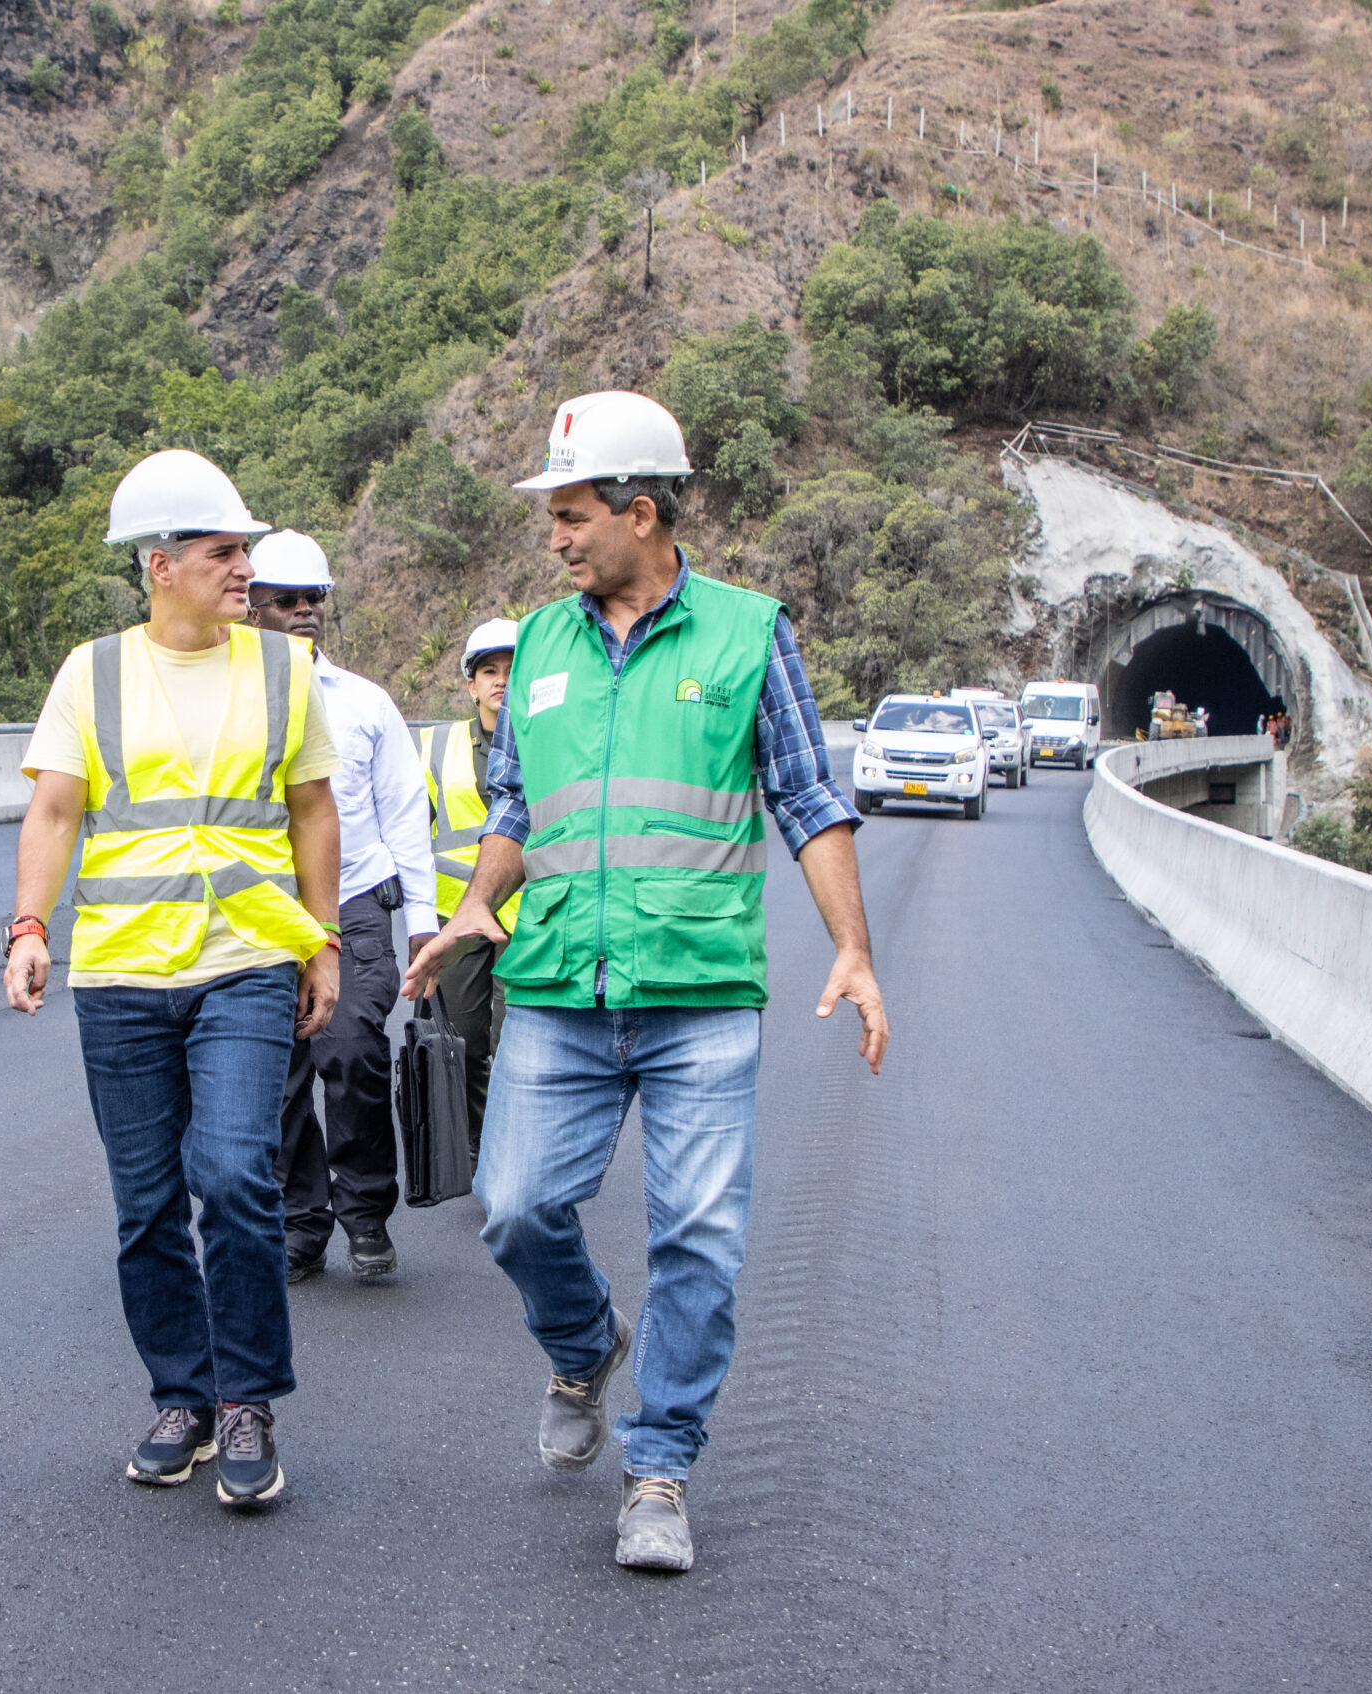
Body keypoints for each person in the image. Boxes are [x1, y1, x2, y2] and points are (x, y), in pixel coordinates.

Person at [401, 393, 890, 1574]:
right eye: (551, 519)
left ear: (641, 510)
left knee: (701, 1239)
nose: (555, 539)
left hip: (699, 991)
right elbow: (518, 803)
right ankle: (582, 1342)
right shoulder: (541, 647)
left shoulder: (745, 632)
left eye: (571, 516)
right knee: (513, 1204)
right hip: (562, 982)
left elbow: (806, 799)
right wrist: (477, 899)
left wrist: (853, 947)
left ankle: (658, 1466)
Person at [5, 450, 344, 1510]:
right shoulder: (90, 673)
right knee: (145, 1201)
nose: (245, 565)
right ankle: (182, 1398)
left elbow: (313, 811)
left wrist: (322, 939)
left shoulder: (284, 671)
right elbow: (55, 810)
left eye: (244, 548)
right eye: (223, 550)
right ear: (161, 565)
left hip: (245, 958)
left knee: (236, 1172)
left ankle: (247, 1396)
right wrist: (28, 925)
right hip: (118, 974)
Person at [243, 530, 436, 1284]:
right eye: (284, 600)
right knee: (276, 1074)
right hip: (261, 914)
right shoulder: (230, 705)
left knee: (352, 1054)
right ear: (250, 607)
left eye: (312, 599)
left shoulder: (364, 705)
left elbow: (403, 813)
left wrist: (423, 922)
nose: (302, 612)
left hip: (354, 907)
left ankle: (364, 1214)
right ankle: (302, 1218)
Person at [418, 619, 522, 1157]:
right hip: (456, 918)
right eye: (489, 671)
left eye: (512, 670)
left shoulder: (548, 742)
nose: (501, 681)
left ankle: (507, 1151)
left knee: (515, 1044)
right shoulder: (436, 746)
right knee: (463, 1040)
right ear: (470, 682)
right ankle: (479, 1145)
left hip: (531, 919)